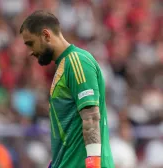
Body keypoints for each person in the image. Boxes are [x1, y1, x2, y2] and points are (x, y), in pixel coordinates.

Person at [20, 10, 114, 168]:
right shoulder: (63, 66)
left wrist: (93, 164)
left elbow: (90, 116)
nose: (31, 52)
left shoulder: (77, 61)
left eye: (31, 43)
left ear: (46, 35)